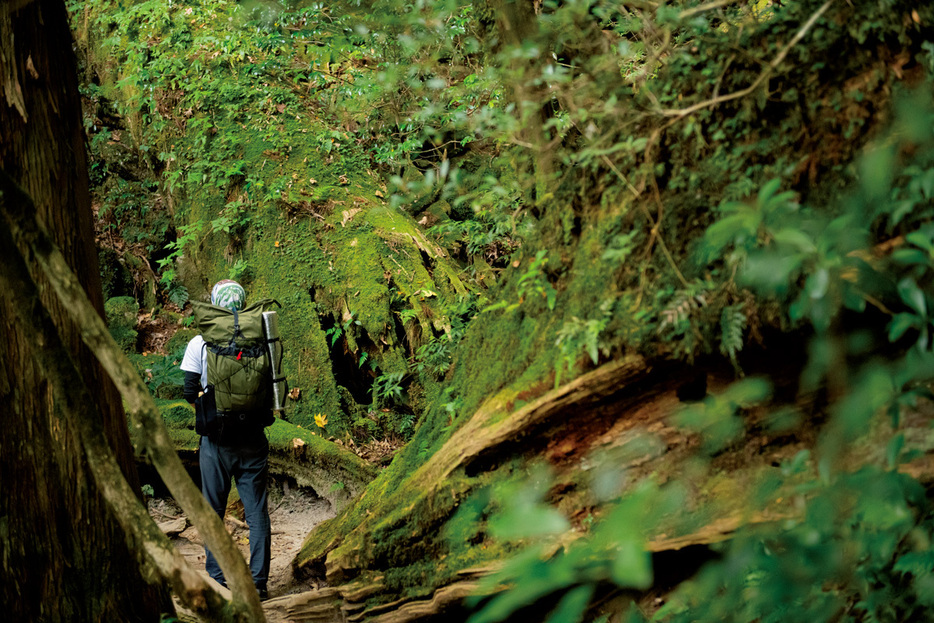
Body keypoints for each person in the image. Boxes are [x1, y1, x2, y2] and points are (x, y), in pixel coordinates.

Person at [180, 279, 271, 600]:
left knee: (213, 510)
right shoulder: (263, 340)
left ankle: (218, 580)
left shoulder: (200, 342)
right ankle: (259, 583)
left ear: (216, 306)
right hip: (254, 439)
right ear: (244, 306)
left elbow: (190, 391)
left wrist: (213, 411)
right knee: (257, 511)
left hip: (216, 443)